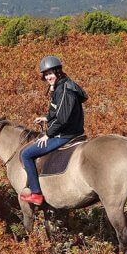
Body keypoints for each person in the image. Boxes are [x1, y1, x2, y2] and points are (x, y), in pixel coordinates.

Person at [19, 56, 88, 205]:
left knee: (26, 154)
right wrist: (46, 118)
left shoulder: (64, 90)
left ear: (58, 72)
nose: (48, 77)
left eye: (51, 73)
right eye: (46, 74)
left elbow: (62, 119)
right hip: (70, 131)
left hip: (65, 134)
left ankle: (36, 194)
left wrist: (48, 135)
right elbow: (58, 110)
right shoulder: (62, 86)